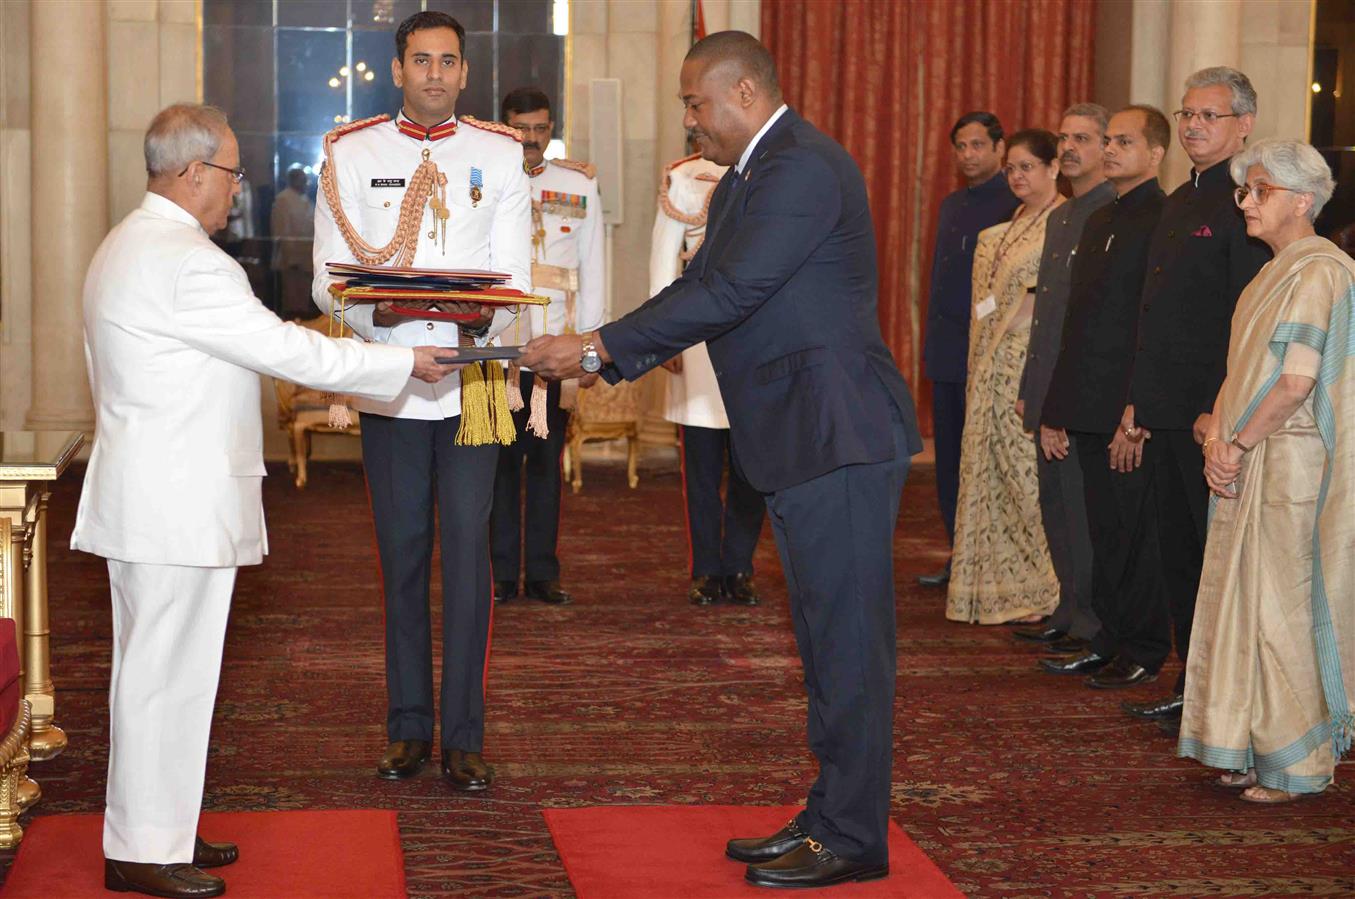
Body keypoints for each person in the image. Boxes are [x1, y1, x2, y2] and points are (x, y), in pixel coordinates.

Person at [519, 30, 922, 891]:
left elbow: (730, 292)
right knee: (821, 636)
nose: (690, 121)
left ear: (743, 95)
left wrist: (595, 348)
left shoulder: (800, 166)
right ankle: (830, 813)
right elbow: (699, 285)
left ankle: (852, 834)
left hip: (835, 433)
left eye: (695, 103)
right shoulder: (752, 177)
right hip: (802, 434)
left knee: (847, 644)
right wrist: (604, 343)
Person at [70, 103, 456, 899]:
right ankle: (143, 847)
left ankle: (159, 828)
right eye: (230, 173)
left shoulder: (122, 245)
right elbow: (281, 346)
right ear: (191, 173)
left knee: (161, 672)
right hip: (174, 503)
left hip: (150, 497)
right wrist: (395, 362)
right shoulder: (189, 261)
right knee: (164, 675)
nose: (235, 189)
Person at [311, 10, 531, 790]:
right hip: (394, 388)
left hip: (472, 383)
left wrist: (468, 326)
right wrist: (401, 339)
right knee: (402, 559)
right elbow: (326, 279)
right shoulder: (351, 151)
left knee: (469, 562)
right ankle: (407, 727)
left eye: (448, 61)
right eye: (420, 60)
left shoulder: (499, 155)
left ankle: (464, 735)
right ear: (397, 69)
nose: (435, 73)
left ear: (465, 73)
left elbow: (510, 278)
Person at [1179, 138, 1354, 803]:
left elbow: (1294, 382)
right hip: (1249, 457)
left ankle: (1300, 761)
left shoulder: (1319, 270)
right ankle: (1254, 744)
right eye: (1242, 191)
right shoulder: (1269, 272)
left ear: (1301, 200)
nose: (1245, 203)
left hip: (1289, 463)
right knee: (1243, 604)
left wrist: (1237, 442)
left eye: (1258, 191)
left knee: (1282, 611)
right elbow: (1240, 373)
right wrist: (1217, 438)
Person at [1118, 67, 1271, 714]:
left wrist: (1220, 407)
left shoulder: (1246, 203)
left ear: (1243, 125)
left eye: (1207, 115)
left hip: (1213, 413)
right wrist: (1138, 397)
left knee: (1214, 558)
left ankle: (1216, 692)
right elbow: (1153, 311)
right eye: (1185, 115)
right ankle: (1189, 682)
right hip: (1164, 407)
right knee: (1176, 553)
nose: (1192, 126)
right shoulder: (1179, 200)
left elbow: (1248, 317)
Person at [1038, 106, 1169, 684]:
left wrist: (1134, 413)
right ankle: (1108, 638)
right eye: (1108, 140)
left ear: (1157, 154)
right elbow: (1078, 324)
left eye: (1124, 141)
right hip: (1086, 406)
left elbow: (1152, 326)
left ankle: (1142, 649)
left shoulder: (1160, 219)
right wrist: (1057, 409)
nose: (1111, 150)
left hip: (1126, 412)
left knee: (1133, 535)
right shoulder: (1097, 220)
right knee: (1102, 533)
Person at [489, 87, 604, 607]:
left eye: (541, 128)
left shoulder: (577, 185)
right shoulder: (485, 181)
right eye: (522, 128)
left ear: (550, 129)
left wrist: (592, 348)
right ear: (506, 127)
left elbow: (594, 267)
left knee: (545, 465)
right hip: (498, 349)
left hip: (555, 349)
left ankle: (541, 572)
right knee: (497, 467)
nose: (532, 138)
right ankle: (499, 572)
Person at [945, 129, 1063, 625]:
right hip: (990, 367)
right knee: (992, 475)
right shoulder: (1011, 223)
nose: (1017, 176)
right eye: (1012, 168)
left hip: (1024, 369)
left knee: (1024, 479)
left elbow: (1048, 303)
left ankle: (1044, 589)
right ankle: (997, 586)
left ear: (1054, 167)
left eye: (1027, 167)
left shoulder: (1062, 223)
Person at [1013, 104, 1117, 653]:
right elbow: (1047, 315)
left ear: (1109, 147)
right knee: (1055, 504)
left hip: (1079, 395)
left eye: (1084, 138)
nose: (1070, 147)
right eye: (1064, 138)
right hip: (1049, 385)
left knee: (1080, 509)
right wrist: (1033, 390)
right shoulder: (1063, 216)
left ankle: (1092, 621)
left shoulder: (1111, 213)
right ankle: (1068, 605)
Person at [651, 145, 766, 606]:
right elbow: (664, 261)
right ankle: (705, 569)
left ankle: (739, 566)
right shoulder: (685, 176)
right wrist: (661, 336)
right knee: (699, 468)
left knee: (750, 466)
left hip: (753, 338)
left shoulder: (769, 170)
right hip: (696, 340)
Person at [919, 112, 1019, 587]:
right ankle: (959, 552)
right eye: (961, 146)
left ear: (1000, 149)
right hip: (945, 351)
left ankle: (989, 561)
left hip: (988, 352)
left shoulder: (1014, 203)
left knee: (986, 459)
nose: (968, 155)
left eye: (978, 145)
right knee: (950, 462)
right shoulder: (952, 203)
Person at [270, 164, 315, 318]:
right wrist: (291, 259)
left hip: (306, 257)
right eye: (302, 179)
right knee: (291, 299)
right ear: (293, 180)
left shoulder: (305, 198)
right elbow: (282, 230)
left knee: (303, 299)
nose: (306, 183)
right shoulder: (283, 199)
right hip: (292, 260)